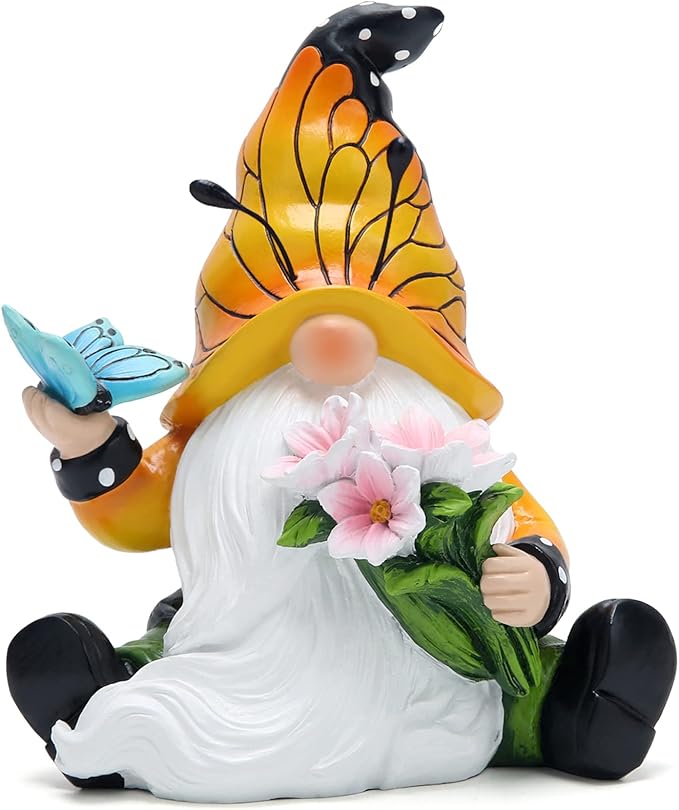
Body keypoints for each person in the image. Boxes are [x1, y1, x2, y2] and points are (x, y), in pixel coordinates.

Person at [6, 3, 675, 803]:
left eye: (371, 334)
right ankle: (111, 712)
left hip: (445, 674)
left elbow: (515, 517)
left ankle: (573, 710)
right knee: (149, 672)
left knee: (513, 670)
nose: (330, 355)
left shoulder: (445, 446)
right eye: (285, 339)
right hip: (236, 670)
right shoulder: (216, 451)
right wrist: (89, 447)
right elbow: (134, 516)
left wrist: (533, 576)